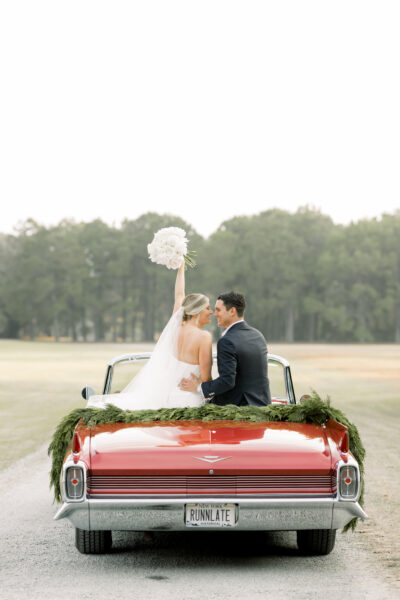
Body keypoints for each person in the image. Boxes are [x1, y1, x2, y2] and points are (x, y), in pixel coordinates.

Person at [87, 262, 213, 410]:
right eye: (208, 308)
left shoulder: (176, 326)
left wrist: (181, 266)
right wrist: (198, 385)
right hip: (189, 401)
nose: (211, 312)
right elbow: (206, 380)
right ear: (197, 312)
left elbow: (180, 295)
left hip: (165, 399)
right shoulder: (204, 337)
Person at [179, 291, 271, 406]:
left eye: (218, 310)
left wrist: (199, 387)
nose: (215, 314)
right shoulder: (258, 335)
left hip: (238, 409)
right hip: (263, 405)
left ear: (232, 311)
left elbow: (227, 381)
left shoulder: (227, 341)